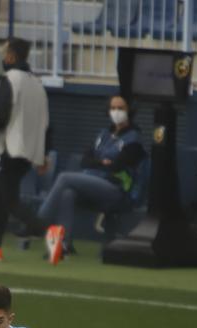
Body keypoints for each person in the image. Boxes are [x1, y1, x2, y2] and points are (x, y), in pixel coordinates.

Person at [36, 93, 146, 264]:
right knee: (68, 193)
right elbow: (85, 160)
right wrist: (102, 162)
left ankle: (38, 222)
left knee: (64, 178)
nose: (116, 111)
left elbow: (117, 165)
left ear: (129, 111)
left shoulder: (134, 139)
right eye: (113, 108)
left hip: (116, 190)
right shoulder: (103, 135)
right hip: (93, 185)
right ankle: (63, 245)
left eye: (121, 108)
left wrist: (99, 162)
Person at [0, 38, 51, 263]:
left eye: (4, 53)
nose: (3, 57)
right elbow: (45, 122)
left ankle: (49, 230)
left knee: (10, 200)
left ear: (12, 56)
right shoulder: (37, 83)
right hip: (30, 150)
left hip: (13, 147)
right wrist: (44, 153)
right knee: (1, 198)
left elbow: (2, 114)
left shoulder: (10, 79)